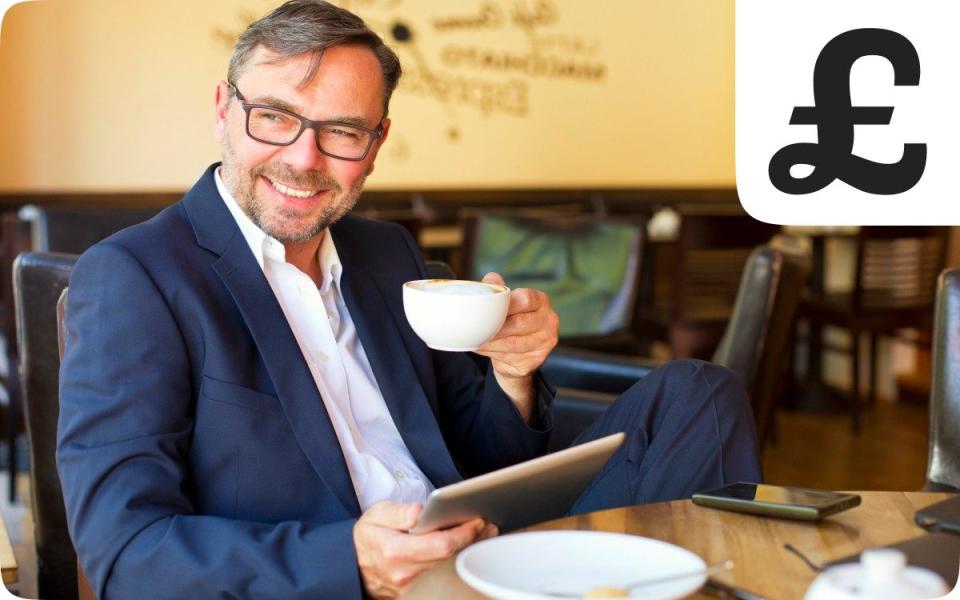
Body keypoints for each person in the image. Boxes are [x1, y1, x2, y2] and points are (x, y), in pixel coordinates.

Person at [56, 1, 762, 598]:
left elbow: (480, 456)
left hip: (482, 549)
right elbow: (124, 552)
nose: (304, 158)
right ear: (223, 109)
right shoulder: (134, 276)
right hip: (339, 583)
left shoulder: (386, 255)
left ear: (376, 141)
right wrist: (351, 562)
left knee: (699, 391)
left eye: (342, 131)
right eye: (274, 116)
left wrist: (512, 377)